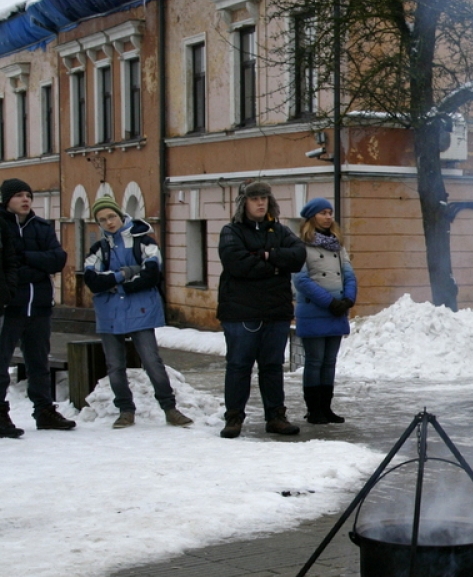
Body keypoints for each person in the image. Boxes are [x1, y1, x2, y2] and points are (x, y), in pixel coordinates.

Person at [81, 197, 195, 429]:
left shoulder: (144, 241)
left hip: (140, 311)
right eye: (102, 220)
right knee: (114, 365)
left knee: (152, 361)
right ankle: (125, 410)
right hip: (110, 314)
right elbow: (92, 280)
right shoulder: (98, 248)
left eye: (111, 216)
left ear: (120, 215)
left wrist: (114, 282)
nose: (109, 222)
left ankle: (169, 408)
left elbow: (152, 273)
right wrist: (125, 274)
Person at [217, 181, 306, 439]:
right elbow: (237, 264)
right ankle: (233, 418)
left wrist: (265, 256)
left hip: (275, 311)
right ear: (243, 202)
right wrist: (277, 265)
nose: (260, 203)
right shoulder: (231, 231)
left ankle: (276, 417)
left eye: (264, 198)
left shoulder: (281, 231)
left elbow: (298, 256)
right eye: (254, 198)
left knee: (272, 367)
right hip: (240, 313)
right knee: (238, 366)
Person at [0, 178, 75, 432]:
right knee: (1, 363)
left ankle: (44, 411)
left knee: (39, 364)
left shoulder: (42, 227)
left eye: (28, 195)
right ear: (6, 199)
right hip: (9, 308)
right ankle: (0, 414)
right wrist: (37, 268)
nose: (25, 200)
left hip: (40, 307)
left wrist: (27, 260)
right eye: (19, 195)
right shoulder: (2, 227)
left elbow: (57, 259)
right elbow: (7, 268)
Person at [293, 197, 357, 424]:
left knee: (330, 361)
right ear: (312, 217)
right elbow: (301, 280)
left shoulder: (338, 246)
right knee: (315, 360)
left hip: (337, 311)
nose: (329, 217)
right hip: (315, 310)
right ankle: (314, 410)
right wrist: (329, 302)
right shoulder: (301, 246)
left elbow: (349, 273)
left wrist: (348, 299)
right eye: (323, 213)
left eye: (330, 212)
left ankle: (326, 408)